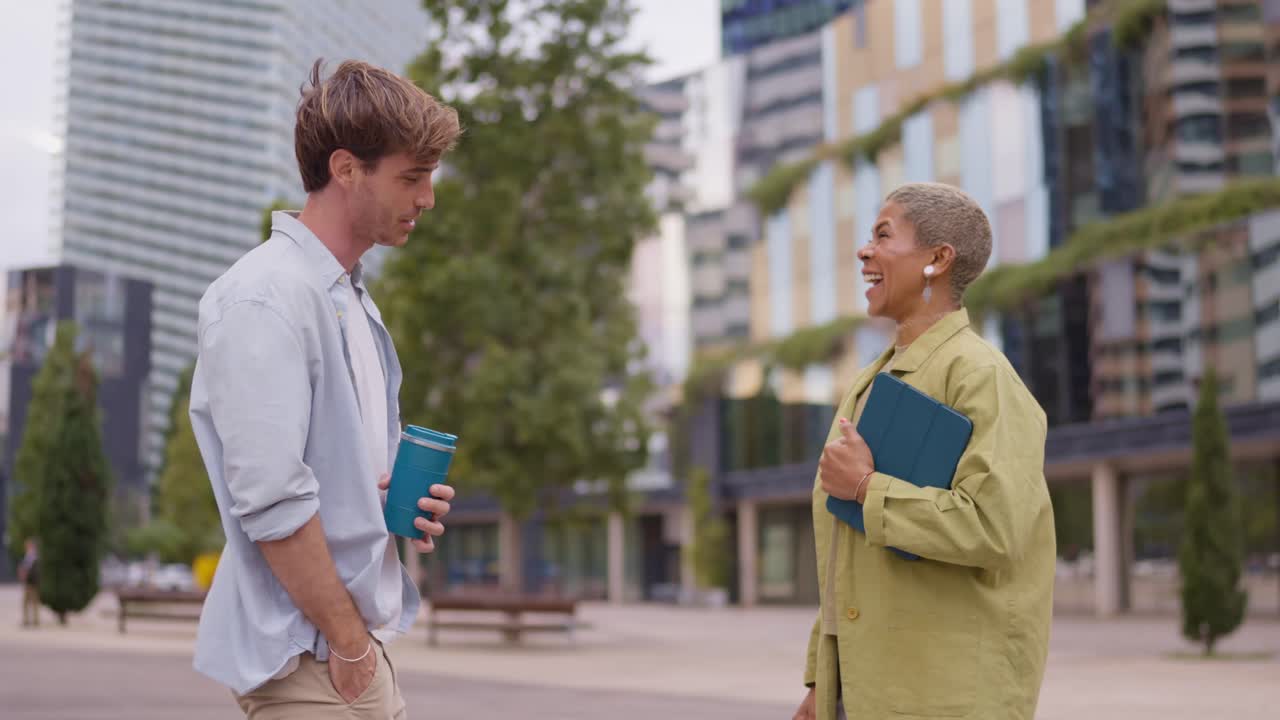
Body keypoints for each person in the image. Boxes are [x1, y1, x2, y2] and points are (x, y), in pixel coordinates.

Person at [188, 59, 462, 719]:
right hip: (309, 654)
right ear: (346, 169)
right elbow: (271, 498)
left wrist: (384, 498)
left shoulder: (347, 299)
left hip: (344, 648)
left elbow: (312, 476)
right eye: (411, 177)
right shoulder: (264, 298)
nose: (426, 198)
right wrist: (347, 643)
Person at [793, 183, 1056, 720]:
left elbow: (994, 527)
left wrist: (867, 488)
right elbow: (847, 557)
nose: (864, 251)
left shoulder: (981, 376)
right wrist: (824, 682)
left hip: (946, 696)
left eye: (883, 235)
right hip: (865, 693)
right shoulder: (871, 381)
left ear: (938, 259)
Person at [17, 538, 39, 627]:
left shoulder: (34, 557)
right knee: (25, 602)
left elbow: (33, 570)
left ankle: (35, 620)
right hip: (28, 582)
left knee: (34, 602)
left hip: (32, 582)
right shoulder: (27, 556)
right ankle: (26, 620)